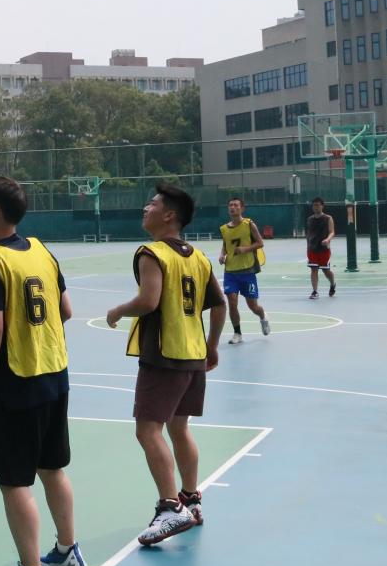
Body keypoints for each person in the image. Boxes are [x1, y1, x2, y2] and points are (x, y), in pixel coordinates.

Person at [0, 176, 84, 566]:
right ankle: (68, 552)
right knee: (52, 468)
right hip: (56, 373)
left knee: (14, 480)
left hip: (18, 382)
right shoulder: (41, 250)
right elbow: (66, 310)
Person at [106, 183, 226, 546]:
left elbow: (148, 300)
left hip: (164, 355)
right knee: (179, 429)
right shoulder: (198, 257)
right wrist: (211, 347)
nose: (146, 208)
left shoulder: (152, 253)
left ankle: (170, 507)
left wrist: (118, 310)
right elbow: (219, 304)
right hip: (193, 355)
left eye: (153, 204)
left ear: (169, 215)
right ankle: (192, 500)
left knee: (147, 431)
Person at [218, 197, 270, 344]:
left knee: (253, 306)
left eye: (236, 205)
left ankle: (263, 316)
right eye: (230, 205)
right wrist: (222, 255)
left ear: (242, 208)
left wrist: (245, 249)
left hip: (247, 271)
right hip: (230, 272)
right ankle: (237, 333)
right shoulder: (224, 229)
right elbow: (225, 245)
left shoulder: (249, 224)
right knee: (232, 301)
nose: (232, 207)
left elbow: (260, 243)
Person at [306, 197, 338, 300]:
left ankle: (332, 284)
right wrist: (308, 246)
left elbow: (332, 232)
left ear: (322, 206)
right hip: (312, 249)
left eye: (318, 205)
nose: (316, 207)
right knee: (314, 269)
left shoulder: (328, 218)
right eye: (314, 205)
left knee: (326, 271)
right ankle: (315, 291)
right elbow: (309, 234)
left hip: (324, 249)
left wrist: (328, 240)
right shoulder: (310, 219)